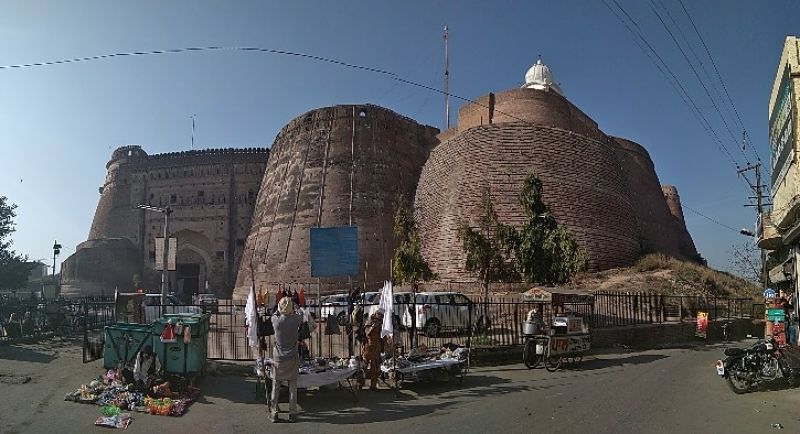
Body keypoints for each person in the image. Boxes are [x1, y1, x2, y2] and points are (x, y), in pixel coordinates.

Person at [270, 296, 302, 423]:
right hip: (292, 357)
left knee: (276, 385)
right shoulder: (296, 320)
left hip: (278, 358)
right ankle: (292, 413)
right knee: (292, 386)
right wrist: (294, 307)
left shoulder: (276, 321)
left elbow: (274, 313)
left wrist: (280, 309)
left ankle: (274, 412)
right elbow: (299, 312)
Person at [359, 310, 384, 391]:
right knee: (364, 365)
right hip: (368, 346)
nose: (380, 316)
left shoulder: (382, 322)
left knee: (375, 366)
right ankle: (360, 384)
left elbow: (383, 335)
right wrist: (373, 326)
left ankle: (373, 386)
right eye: (379, 314)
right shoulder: (370, 321)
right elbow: (367, 333)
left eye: (382, 315)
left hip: (377, 345)